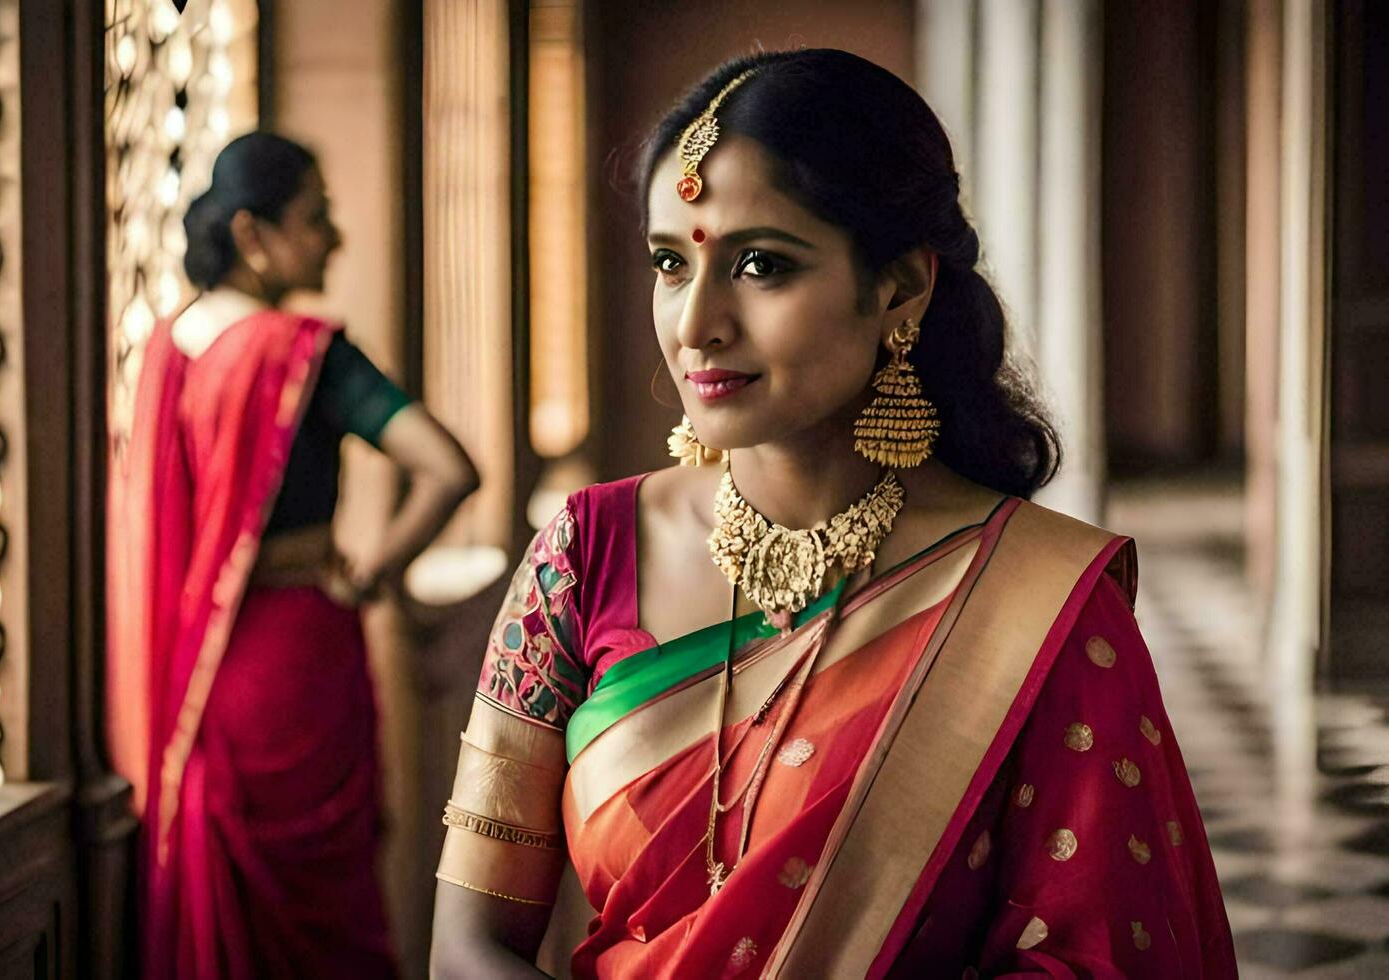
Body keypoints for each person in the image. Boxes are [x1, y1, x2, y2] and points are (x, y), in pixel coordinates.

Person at [429, 50, 1234, 979]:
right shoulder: (583, 557)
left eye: (760, 265)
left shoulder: (1036, 604)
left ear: (900, 287)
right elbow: (467, 947)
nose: (695, 324)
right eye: (667, 263)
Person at [109, 131, 479, 978]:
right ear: (252, 235)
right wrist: (373, 569)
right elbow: (450, 468)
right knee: (327, 923)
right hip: (298, 662)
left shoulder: (168, 349)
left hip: (198, 673)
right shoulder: (306, 354)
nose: (334, 238)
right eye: (316, 219)